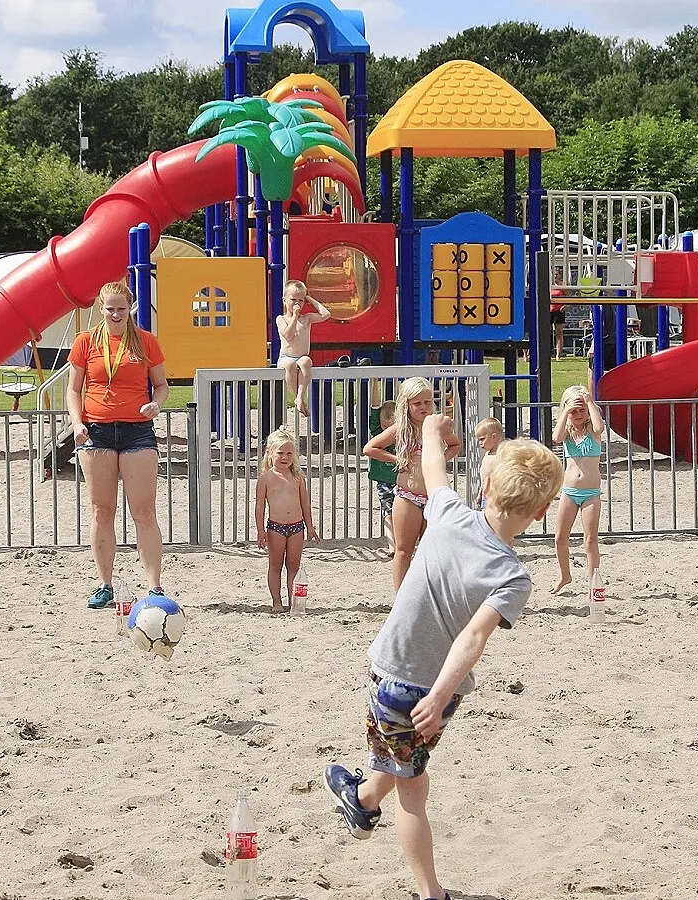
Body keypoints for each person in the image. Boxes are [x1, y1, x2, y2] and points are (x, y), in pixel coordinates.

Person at [322, 414, 562, 900]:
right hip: (441, 692)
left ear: (488, 482)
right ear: (540, 513)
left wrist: (432, 425)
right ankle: (363, 798)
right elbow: (473, 639)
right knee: (405, 760)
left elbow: (433, 462)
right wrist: (441, 694)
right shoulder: (514, 576)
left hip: (395, 674)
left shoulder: (449, 512)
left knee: (412, 787)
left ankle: (430, 892)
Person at [65, 279, 170, 609]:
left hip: (137, 430)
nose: (115, 314)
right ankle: (104, 583)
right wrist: (77, 421)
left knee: (144, 510)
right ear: (101, 308)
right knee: (101, 510)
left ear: (130, 309)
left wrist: (157, 404)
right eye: (110, 309)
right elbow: (73, 389)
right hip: (96, 431)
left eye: (121, 309)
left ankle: (154, 587)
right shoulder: (85, 342)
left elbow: (161, 385)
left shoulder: (146, 342)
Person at [363, 377, 461, 591]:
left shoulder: (437, 427)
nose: (423, 407)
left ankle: (428, 595)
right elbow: (370, 448)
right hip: (408, 495)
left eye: (427, 402)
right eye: (417, 403)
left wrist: (441, 458)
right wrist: (397, 460)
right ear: (406, 405)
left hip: (433, 496)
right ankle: (401, 597)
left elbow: (455, 444)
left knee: (432, 551)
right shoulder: (400, 429)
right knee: (403, 550)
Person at [551, 380, 606, 594]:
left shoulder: (593, 429)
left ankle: (594, 582)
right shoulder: (567, 431)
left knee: (590, 540)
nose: (578, 415)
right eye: (574, 411)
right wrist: (566, 411)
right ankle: (565, 575)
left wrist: (589, 401)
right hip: (569, 491)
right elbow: (556, 438)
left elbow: (600, 426)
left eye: (581, 410)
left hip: (591, 493)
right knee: (559, 538)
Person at [256, 429, 317, 614]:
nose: (285, 457)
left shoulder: (298, 478)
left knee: (293, 565)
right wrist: (261, 530)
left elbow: (305, 503)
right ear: (270, 454)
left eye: (289, 453)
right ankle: (276, 601)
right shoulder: (265, 479)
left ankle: (293, 602)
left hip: (297, 527)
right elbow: (260, 507)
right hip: (276, 527)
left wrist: (310, 526)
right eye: (280, 453)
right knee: (275, 565)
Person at [275, 280, 331, 417]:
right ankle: (297, 397)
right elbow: (288, 335)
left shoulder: (307, 318)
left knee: (306, 361)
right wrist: (294, 316)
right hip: (286, 358)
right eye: (293, 299)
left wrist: (309, 298)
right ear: (284, 300)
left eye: (300, 300)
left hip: (302, 357)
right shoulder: (281, 319)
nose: (297, 303)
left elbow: (326, 314)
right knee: (290, 364)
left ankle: (300, 397)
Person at [369, 399, 399, 550]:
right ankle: (392, 546)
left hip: (402, 481)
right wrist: (374, 380)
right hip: (384, 481)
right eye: (384, 426)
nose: (386, 430)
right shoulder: (378, 433)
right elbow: (374, 409)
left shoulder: (403, 436)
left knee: (403, 514)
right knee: (388, 512)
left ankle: (401, 543)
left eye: (390, 427)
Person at [472, 417, 505, 507]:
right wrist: (480, 493)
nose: (480, 443)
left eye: (482, 439)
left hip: (498, 495)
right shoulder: (487, 454)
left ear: (494, 437)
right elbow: (484, 480)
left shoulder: (501, 456)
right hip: (486, 495)